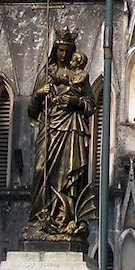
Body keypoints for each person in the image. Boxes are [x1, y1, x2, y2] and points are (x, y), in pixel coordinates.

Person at [25, 26, 96, 241]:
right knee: (41, 169)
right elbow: (32, 110)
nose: (63, 55)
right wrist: (39, 94)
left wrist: (75, 101)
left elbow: (90, 104)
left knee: (69, 176)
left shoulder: (79, 75)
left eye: (67, 50)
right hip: (49, 129)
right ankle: (40, 219)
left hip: (71, 129)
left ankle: (65, 219)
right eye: (59, 50)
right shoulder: (45, 74)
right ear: (54, 50)